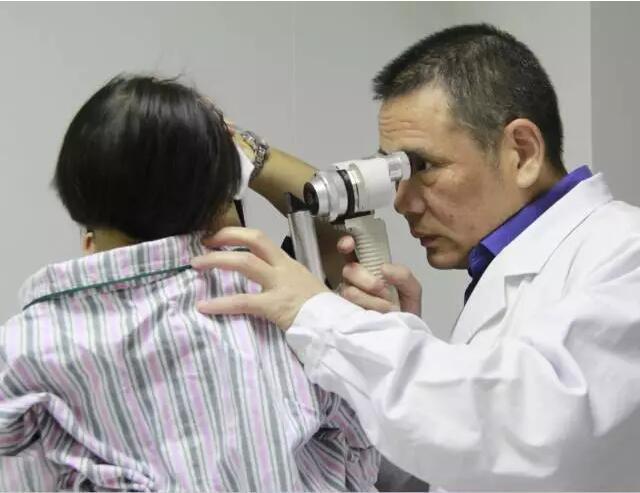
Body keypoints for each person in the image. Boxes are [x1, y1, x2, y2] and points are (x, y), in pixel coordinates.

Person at [192, 24, 640, 490]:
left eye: (422, 167)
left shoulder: (625, 254)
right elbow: (450, 469)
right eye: (395, 171)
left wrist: (317, 315)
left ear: (522, 152)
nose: (403, 201)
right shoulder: (506, 273)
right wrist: (395, 341)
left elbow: (526, 432)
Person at [0, 75, 380, 491]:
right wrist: (250, 155)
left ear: (75, 191)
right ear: (219, 203)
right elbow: (357, 440)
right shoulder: (275, 307)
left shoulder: (29, 344)